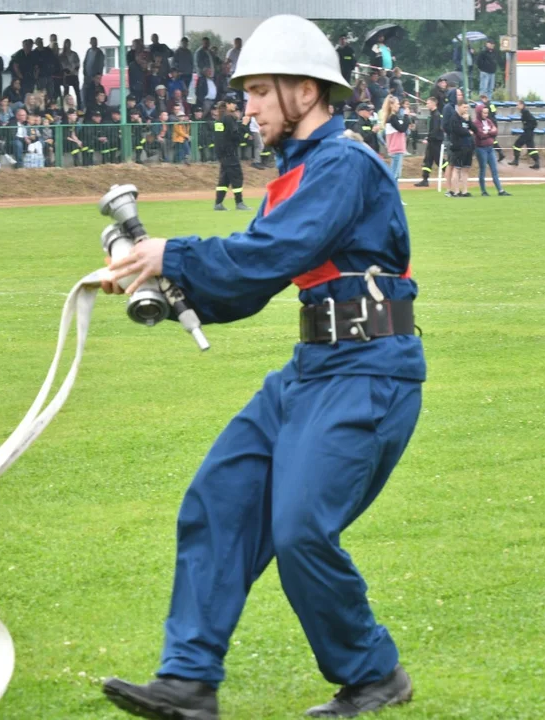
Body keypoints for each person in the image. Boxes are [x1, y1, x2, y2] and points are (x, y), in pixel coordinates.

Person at [99, 13, 423, 720]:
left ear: (304, 92)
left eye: (256, 91)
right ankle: (188, 682)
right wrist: (162, 287)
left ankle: (374, 673)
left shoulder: (344, 165)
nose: (243, 106)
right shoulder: (301, 172)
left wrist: (171, 255)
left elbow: (272, 253)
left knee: (301, 527)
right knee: (219, 500)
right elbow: (251, 285)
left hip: (370, 372)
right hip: (312, 370)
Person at [213, 92, 251, 211]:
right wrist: (244, 125)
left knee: (225, 178)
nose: (235, 106)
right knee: (237, 176)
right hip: (230, 153)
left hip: (222, 153)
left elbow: (220, 137)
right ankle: (239, 203)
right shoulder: (229, 118)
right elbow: (236, 137)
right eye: (233, 103)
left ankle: (218, 204)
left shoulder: (220, 118)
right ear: (228, 104)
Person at [473, 104, 510, 197]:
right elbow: (480, 135)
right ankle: (483, 191)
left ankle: (500, 190)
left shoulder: (489, 121)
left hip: (490, 148)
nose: (486, 115)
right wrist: (490, 132)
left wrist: (488, 132)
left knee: (494, 169)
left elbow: (495, 131)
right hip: (481, 148)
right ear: (479, 113)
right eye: (484, 113)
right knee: (483, 169)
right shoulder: (476, 123)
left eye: (487, 113)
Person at [415, 94, 444, 187]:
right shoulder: (433, 114)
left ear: (433, 104)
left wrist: (428, 138)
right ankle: (425, 179)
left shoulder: (436, 115)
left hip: (435, 141)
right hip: (433, 141)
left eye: (428, 103)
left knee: (439, 160)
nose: (426, 105)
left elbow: (435, 129)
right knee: (428, 160)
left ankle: (449, 174)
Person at [509, 98, 539, 169]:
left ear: (522, 105)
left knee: (517, 144)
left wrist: (527, 128)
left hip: (527, 133)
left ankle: (516, 161)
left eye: (518, 105)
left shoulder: (525, 112)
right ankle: (537, 162)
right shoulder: (524, 112)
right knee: (531, 148)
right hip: (528, 133)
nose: (517, 106)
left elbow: (534, 122)